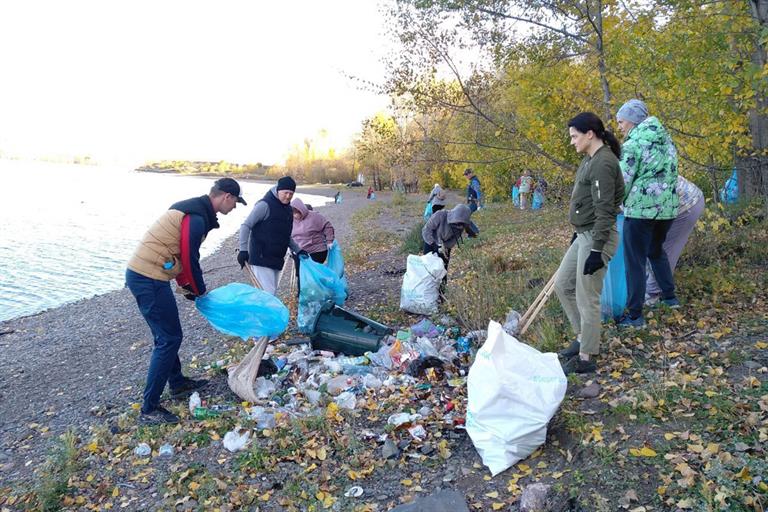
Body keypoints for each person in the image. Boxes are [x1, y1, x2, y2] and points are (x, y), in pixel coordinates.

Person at [126, 177, 246, 424]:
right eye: (235, 203)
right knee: (168, 338)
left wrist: (188, 287)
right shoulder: (197, 217)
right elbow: (189, 258)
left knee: (168, 335)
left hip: (149, 275)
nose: (234, 208)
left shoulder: (194, 210)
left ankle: (178, 384)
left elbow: (180, 255)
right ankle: (149, 409)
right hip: (147, 277)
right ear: (226, 197)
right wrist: (199, 289)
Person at [555, 113, 623, 375]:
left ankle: (587, 356)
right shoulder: (590, 159)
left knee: (587, 297)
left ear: (589, 134)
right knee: (563, 285)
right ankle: (583, 336)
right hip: (584, 234)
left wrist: (596, 249)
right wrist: (578, 231)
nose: (572, 142)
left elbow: (605, 210)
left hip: (597, 236)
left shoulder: (603, 163)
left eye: (574, 136)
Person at [616, 99, 680, 328]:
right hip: (668, 209)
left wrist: (614, 202)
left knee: (635, 261)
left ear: (632, 120)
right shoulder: (666, 140)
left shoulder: (633, 144)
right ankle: (670, 298)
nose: (619, 127)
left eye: (621, 121)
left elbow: (622, 179)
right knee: (655, 251)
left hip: (641, 210)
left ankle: (634, 315)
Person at [237, 176, 303, 295]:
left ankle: (256, 313)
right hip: (261, 257)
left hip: (277, 258)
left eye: (291, 193)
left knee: (267, 294)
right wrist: (243, 250)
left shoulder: (288, 209)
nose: (288, 196)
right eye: (286, 192)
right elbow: (246, 226)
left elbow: (285, 235)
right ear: (278, 190)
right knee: (268, 295)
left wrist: (298, 250)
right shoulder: (264, 205)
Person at [645, 175, 704, 304]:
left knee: (661, 250)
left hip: (685, 204)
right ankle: (655, 292)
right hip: (662, 205)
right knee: (649, 248)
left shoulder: (621, 172)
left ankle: (655, 296)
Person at [422, 204, 474, 294]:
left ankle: (442, 293)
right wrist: (433, 243)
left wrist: (444, 248)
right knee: (428, 268)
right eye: (457, 223)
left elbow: (453, 240)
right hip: (430, 242)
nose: (459, 226)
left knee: (443, 269)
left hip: (444, 247)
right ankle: (426, 292)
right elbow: (426, 230)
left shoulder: (461, 226)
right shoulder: (440, 215)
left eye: (461, 224)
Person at [290, 197, 335, 264]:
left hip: (316, 250)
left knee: (313, 272)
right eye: (293, 213)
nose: (295, 215)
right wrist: (290, 248)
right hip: (299, 250)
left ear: (301, 210)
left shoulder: (315, 216)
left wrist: (329, 241)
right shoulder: (290, 220)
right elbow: (287, 235)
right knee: (299, 273)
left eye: (297, 213)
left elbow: (327, 226)